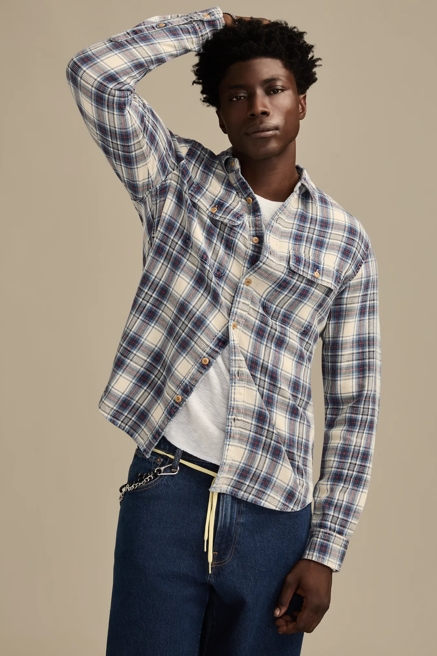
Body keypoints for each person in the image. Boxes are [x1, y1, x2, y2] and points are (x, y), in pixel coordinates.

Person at [66, 7, 381, 656]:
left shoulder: (344, 243)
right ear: (219, 113)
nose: (258, 106)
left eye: (274, 89)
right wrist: (211, 25)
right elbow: (94, 75)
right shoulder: (175, 181)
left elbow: (354, 406)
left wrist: (325, 550)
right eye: (237, 95)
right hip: (167, 490)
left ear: (300, 102)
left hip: (275, 514)